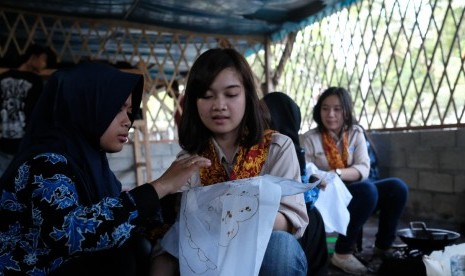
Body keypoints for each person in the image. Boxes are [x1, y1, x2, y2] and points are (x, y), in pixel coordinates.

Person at [0, 62, 211, 275]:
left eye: (129, 111)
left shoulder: (89, 166)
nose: (127, 121)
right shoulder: (45, 164)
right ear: (84, 105)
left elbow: (118, 224)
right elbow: (70, 234)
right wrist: (159, 187)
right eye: (116, 108)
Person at [151, 48, 309, 275]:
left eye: (231, 94)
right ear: (194, 102)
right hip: (209, 260)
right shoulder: (189, 162)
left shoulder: (277, 147)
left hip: (262, 256)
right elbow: (179, 237)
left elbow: (291, 221)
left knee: (280, 247)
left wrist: (234, 216)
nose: (219, 105)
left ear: (247, 96)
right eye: (207, 95)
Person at [300, 86, 409, 275]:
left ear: (346, 111)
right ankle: (342, 253)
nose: (331, 114)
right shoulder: (310, 138)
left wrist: (336, 173)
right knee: (368, 191)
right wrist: (325, 178)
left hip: (354, 188)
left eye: (337, 109)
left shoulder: (355, 133)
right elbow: (307, 170)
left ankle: (383, 247)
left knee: (397, 187)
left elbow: (363, 169)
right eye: (325, 108)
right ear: (319, 111)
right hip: (326, 194)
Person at [262, 91, 329, 276]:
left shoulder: (283, 145)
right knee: (311, 219)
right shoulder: (285, 144)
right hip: (278, 219)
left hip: (274, 217)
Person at [0, 43, 49, 175]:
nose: (44, 64)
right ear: (33, 57)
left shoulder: (3, 77)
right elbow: (39, 114)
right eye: (43, 59)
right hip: (23, 144)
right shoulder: (36, 81)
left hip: (3, 142)